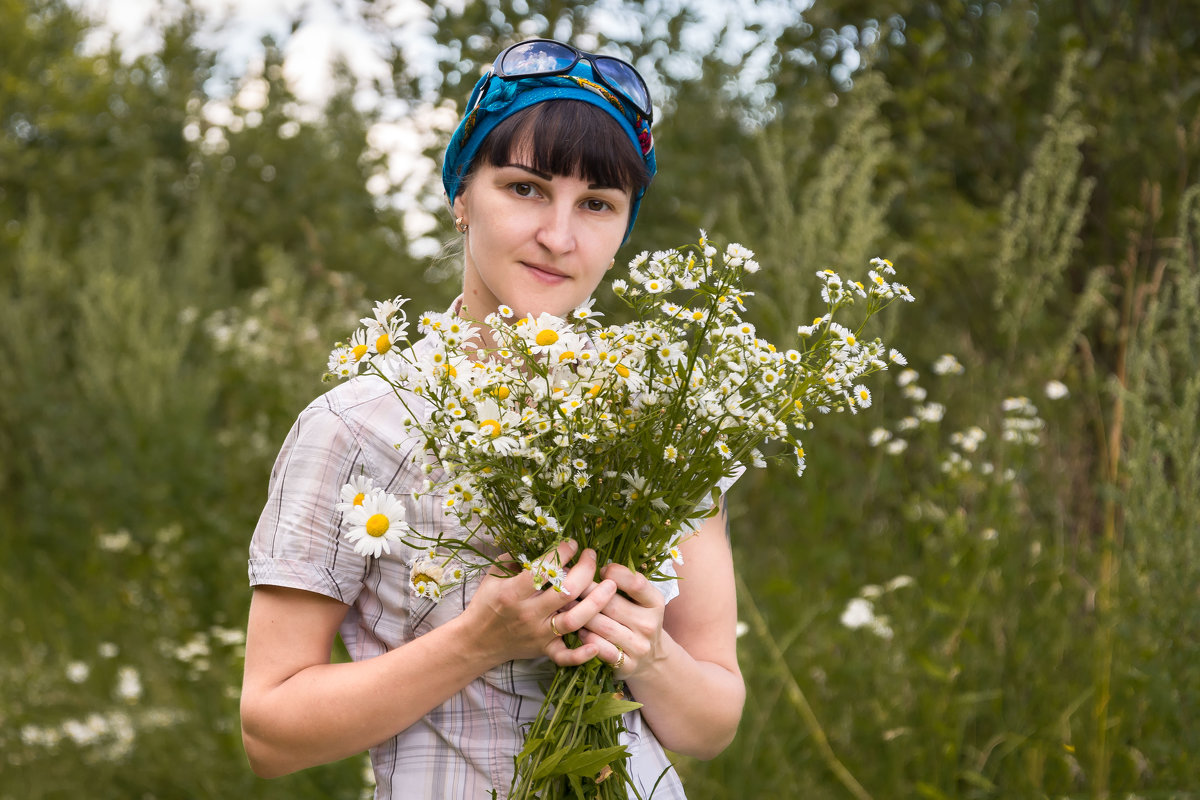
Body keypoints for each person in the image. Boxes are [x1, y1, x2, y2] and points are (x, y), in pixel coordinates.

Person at [240, 38, 745, 799]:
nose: (560, 236)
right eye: (526, 188)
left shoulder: (666, 423)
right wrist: (479, 641)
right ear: (462, 196)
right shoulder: (354, 423)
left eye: (598, 205)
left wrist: (648, 658)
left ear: (622, 232)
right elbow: (269, 731)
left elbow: (712, 727)